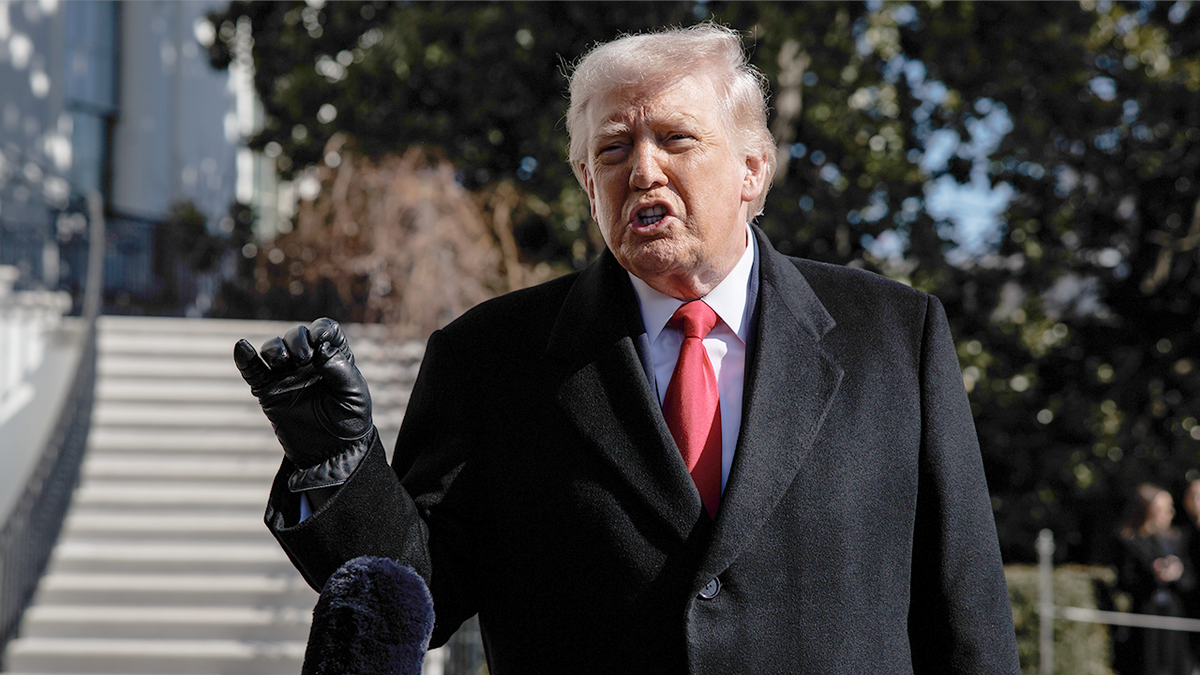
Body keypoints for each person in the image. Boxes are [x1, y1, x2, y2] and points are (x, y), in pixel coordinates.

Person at [234, 23, 1019, 673]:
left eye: (676, 139)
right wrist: (338, 467)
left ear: (752, 169)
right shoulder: (490, 356)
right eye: (613, 151)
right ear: (585, 181)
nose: (643, 169)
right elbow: (419, 600)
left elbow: (968, 615)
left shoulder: (894, 335)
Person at [1116, 483, 1194, 675]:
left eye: (1169, 507)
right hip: (1145, 617)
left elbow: (1190, 581)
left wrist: (1178, 573)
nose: (1168, 513)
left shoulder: (1176, 539)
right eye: (1161, 509)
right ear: (1147, 510)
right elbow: (1124, 581)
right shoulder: (1130, 541)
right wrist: (1153, 573)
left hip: (1173, 617)